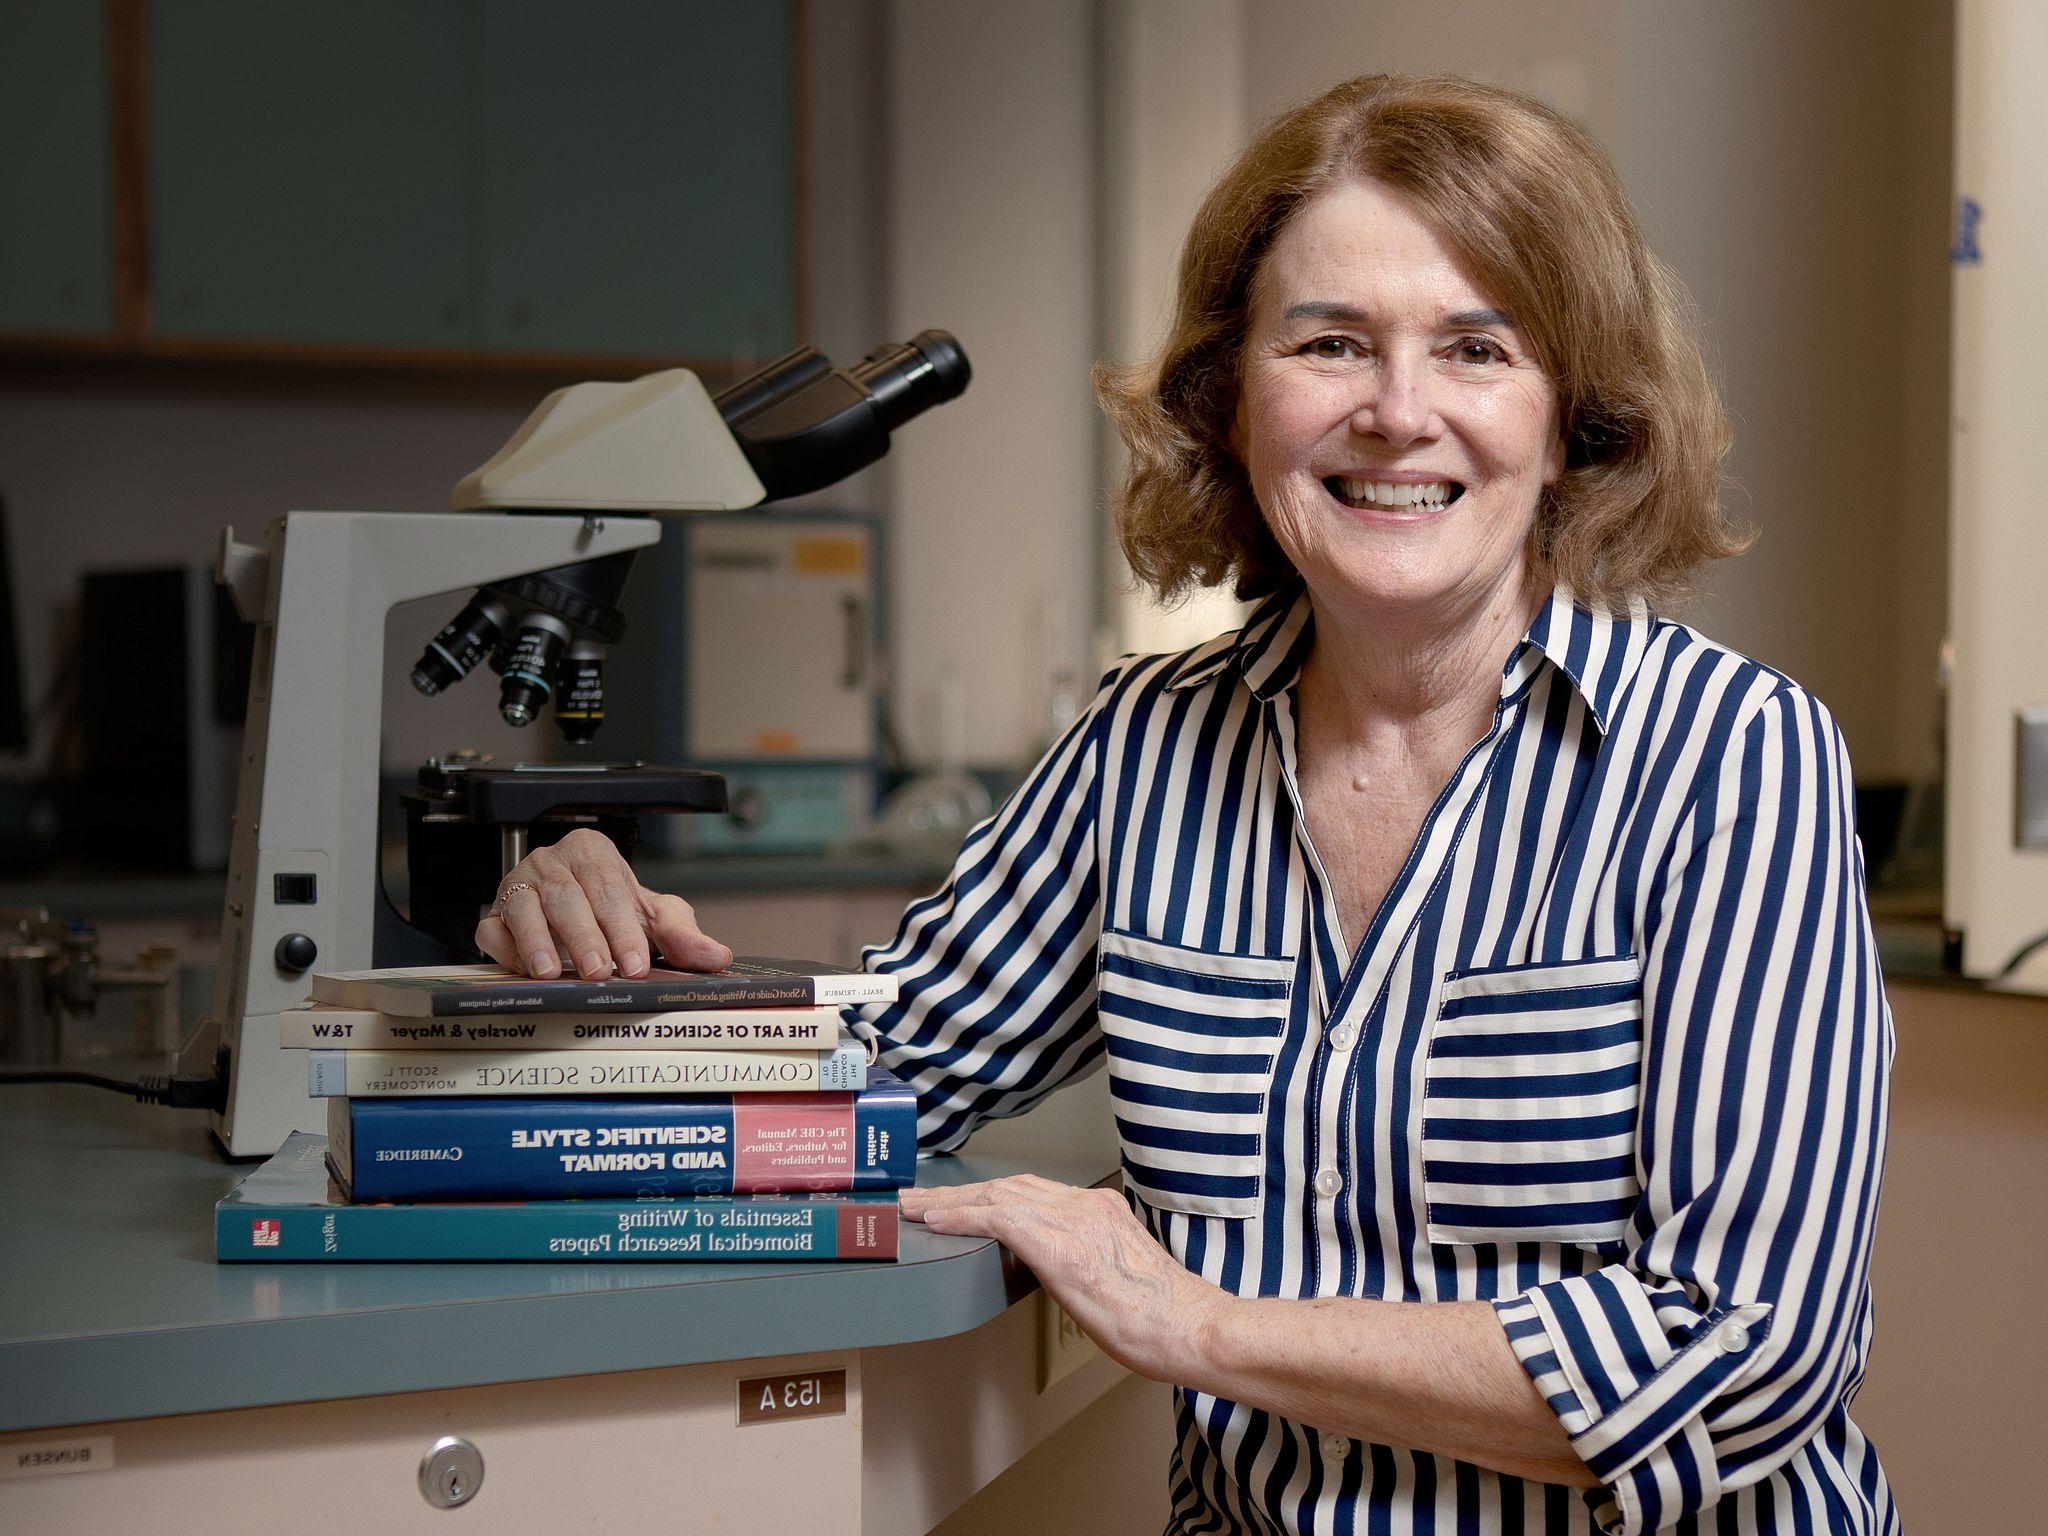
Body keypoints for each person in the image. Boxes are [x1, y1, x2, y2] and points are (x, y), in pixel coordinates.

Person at [476, 73, 1895, 1536]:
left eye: (1476, 348)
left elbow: (1747, 1354)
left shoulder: (1736, 759)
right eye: (1331, 342)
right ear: (1230, 402)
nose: (1398, 414)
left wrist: (1198, 1323)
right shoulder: (1145, 746)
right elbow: (876, 1070)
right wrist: (603, 963)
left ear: (1574, 414)